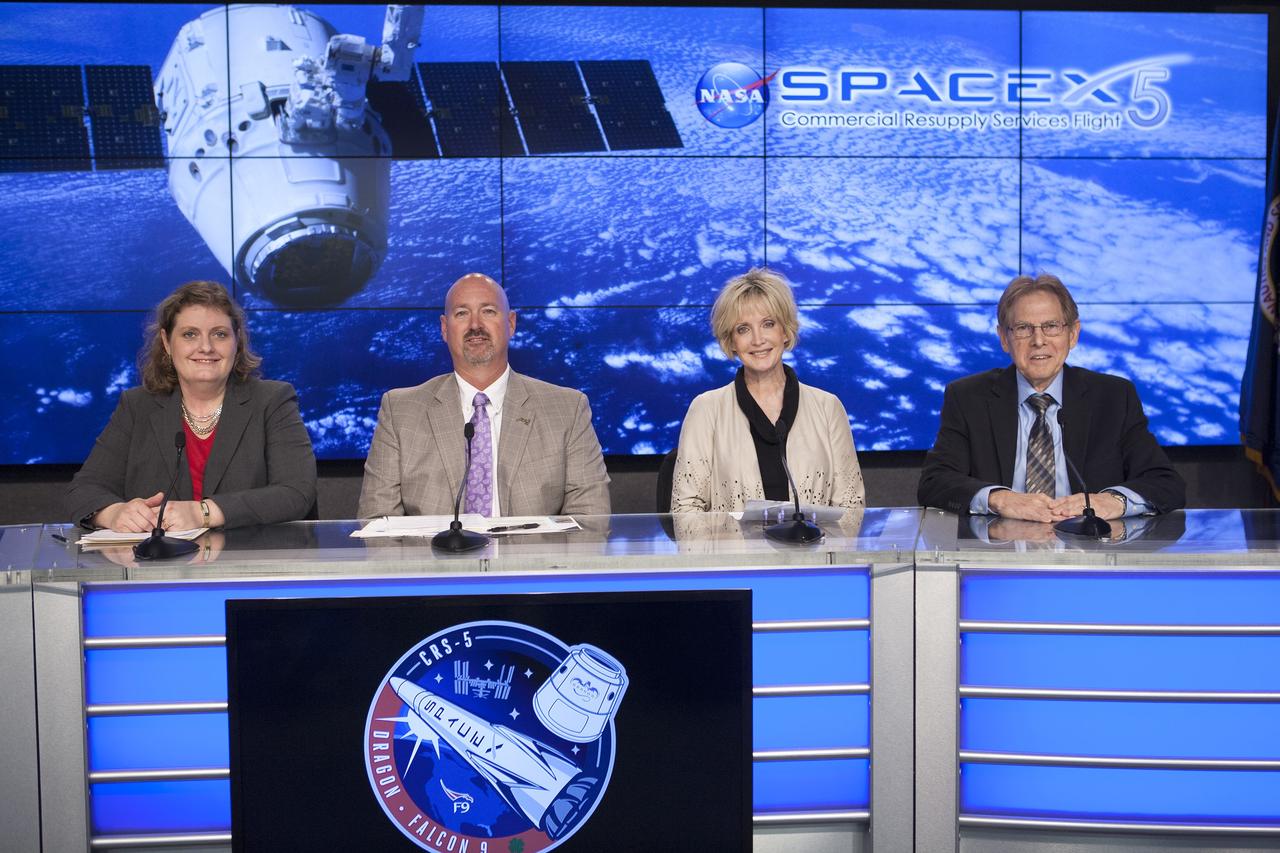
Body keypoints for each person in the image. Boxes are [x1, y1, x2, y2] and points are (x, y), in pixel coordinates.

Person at [917, 273, 1185, 521]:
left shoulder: (1114, 397)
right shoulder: (968, 398)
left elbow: (1165, 484)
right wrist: (999, 499)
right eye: (1023, 328)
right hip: (1000, 555)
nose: (1038, 340)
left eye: (1051, 326)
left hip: (1092, 555)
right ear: (1003, 338)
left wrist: (1113, 501)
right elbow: (935, 482)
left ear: (1073, 334)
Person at [66, 281, 317, 531]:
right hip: (159, 567)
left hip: (249, 564)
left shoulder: (272, 400)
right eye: (189, 334)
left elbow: (296, 492)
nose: (206, 347)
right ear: (166, 342)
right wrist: (113, 513)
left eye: (220, 334)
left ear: (237, 341)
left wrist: (204, 512)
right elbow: (85, 489)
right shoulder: (136, 406)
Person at [357, 273, 610, 518]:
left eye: (488, 311)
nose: (475, 325)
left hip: (534, 561)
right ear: (445, 329)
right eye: (462, 313)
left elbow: (591, 520)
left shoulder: (567, 409)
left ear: (510, 324)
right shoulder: (400, 412)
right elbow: (376, 523)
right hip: (432, 560)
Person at [671, 268, 865, 513]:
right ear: (730, 341)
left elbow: (851, 506)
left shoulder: (828, 407)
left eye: (768, 324)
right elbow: (685, 508)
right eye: (743, 329)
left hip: (813, 550)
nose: (757, 339)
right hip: (735, 551)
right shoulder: (706, 409)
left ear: (785, 331)